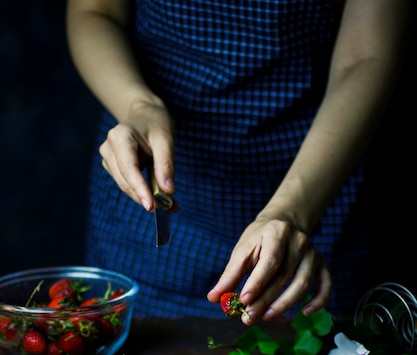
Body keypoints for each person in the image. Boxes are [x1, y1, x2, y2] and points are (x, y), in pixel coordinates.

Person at [66, 0, 413, 324]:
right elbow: (96, 11)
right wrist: (137, 106)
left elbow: (366, 56)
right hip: (145, 199)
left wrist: (292, 213)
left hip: (317, 180)